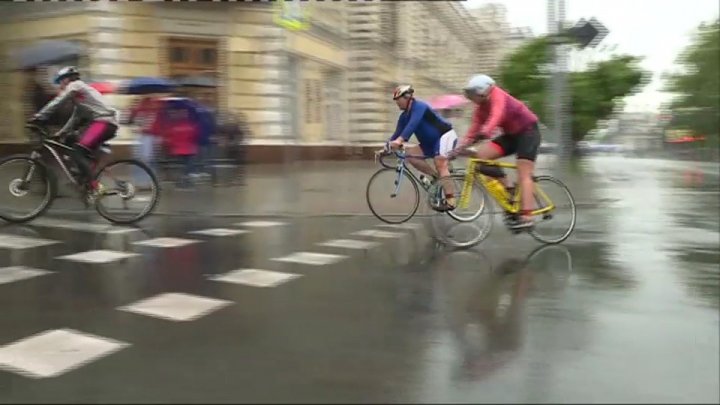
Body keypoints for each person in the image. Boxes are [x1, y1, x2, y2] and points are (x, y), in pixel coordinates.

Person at [448, 74, 542, 230]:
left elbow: (496, 116)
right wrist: (459, 149)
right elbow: (473, 130)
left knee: (523, 172)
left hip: (529, 132)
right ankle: (509, 189)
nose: (471, 99)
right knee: (480, 156)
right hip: (511, 135)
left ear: (483, 91)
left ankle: (527, 215)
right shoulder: (480, 108)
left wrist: (486, 131)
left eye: (472, 94)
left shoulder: (497, 95)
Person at [28, 66, 119, 198]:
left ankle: (96, 187)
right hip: (104, 123)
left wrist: (39, 117)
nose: (61, 84)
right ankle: (86, 183)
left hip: (104, 122)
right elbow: (75, 118)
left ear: (68, 79)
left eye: (61, 81)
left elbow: (58, 102)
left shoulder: (76, 85)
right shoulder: (79, 98)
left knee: (78, 151)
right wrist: (61, 133)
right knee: (78, 148)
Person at [386, 84, 459, 211]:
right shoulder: (404, 116)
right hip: (429, 143)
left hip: (445, 136)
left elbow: (412, 125)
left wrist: (400, 140)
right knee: (410, 156)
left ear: (407, 97)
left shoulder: (420, 106)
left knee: (440, 162)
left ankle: (451, 200)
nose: (397, 103)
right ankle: (436, 177)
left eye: (398, 100)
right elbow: (396, 134)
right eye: (396, 100)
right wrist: (386, 146)